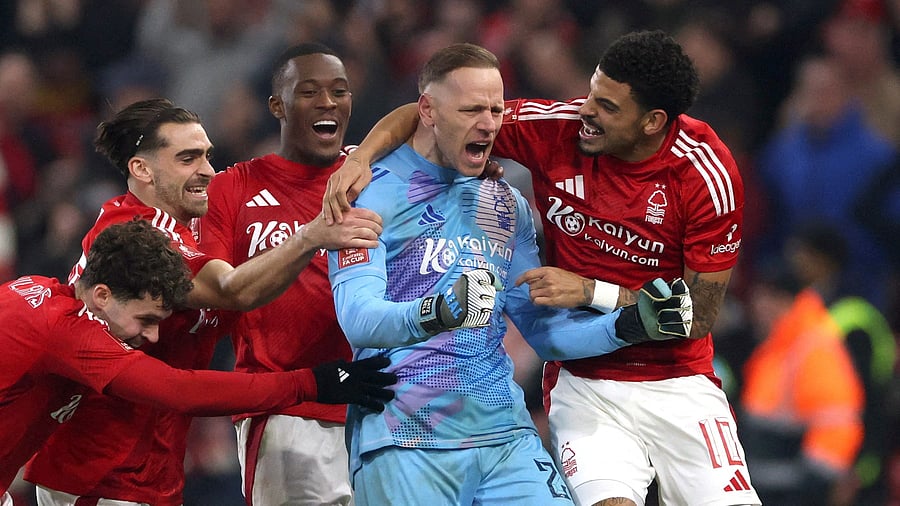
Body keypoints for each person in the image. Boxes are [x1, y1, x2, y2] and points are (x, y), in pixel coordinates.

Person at [325, 30, 760, 506]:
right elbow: (359, 319)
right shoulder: (369, 194)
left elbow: (549, 323)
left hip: (515, 429)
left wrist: (620, 317)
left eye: (495, 110)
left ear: (652, 121)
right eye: (474, 111)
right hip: (409, 432)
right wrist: (363, 157)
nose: (491, 125)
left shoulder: (507, 205)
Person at [24, 97, 386, 506]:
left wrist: (362, 157)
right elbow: (234, 292)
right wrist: (311, 235)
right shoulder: (132, 233)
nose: (208, 171)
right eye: (187, 158)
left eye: (207, 156)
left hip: (153, 468)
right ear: (141, 169)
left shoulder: (194, 227)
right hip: (98, 472)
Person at [0, 219, 397, 504]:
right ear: (102, 295)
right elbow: (180, 389)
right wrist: (310, 383)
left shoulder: (34, 290)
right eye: (146, 320)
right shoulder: (67, 332)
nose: (153, 337)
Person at [196, 42, 382, 505]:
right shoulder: (232, 187)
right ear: (277, 105)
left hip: (382, 405)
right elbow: (221, 291)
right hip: (288, 411)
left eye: (340, 91)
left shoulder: (377, 178)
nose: (327, 103)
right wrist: (310, 236)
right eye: (309, 92)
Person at [739, 260, 865, 505]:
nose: (756, 308)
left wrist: (809, 487)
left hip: (792, 493)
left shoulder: (812, 348)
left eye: (764, 298)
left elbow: (837, 424)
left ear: (784, 300)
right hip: (766, 488)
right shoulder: (775, 348)